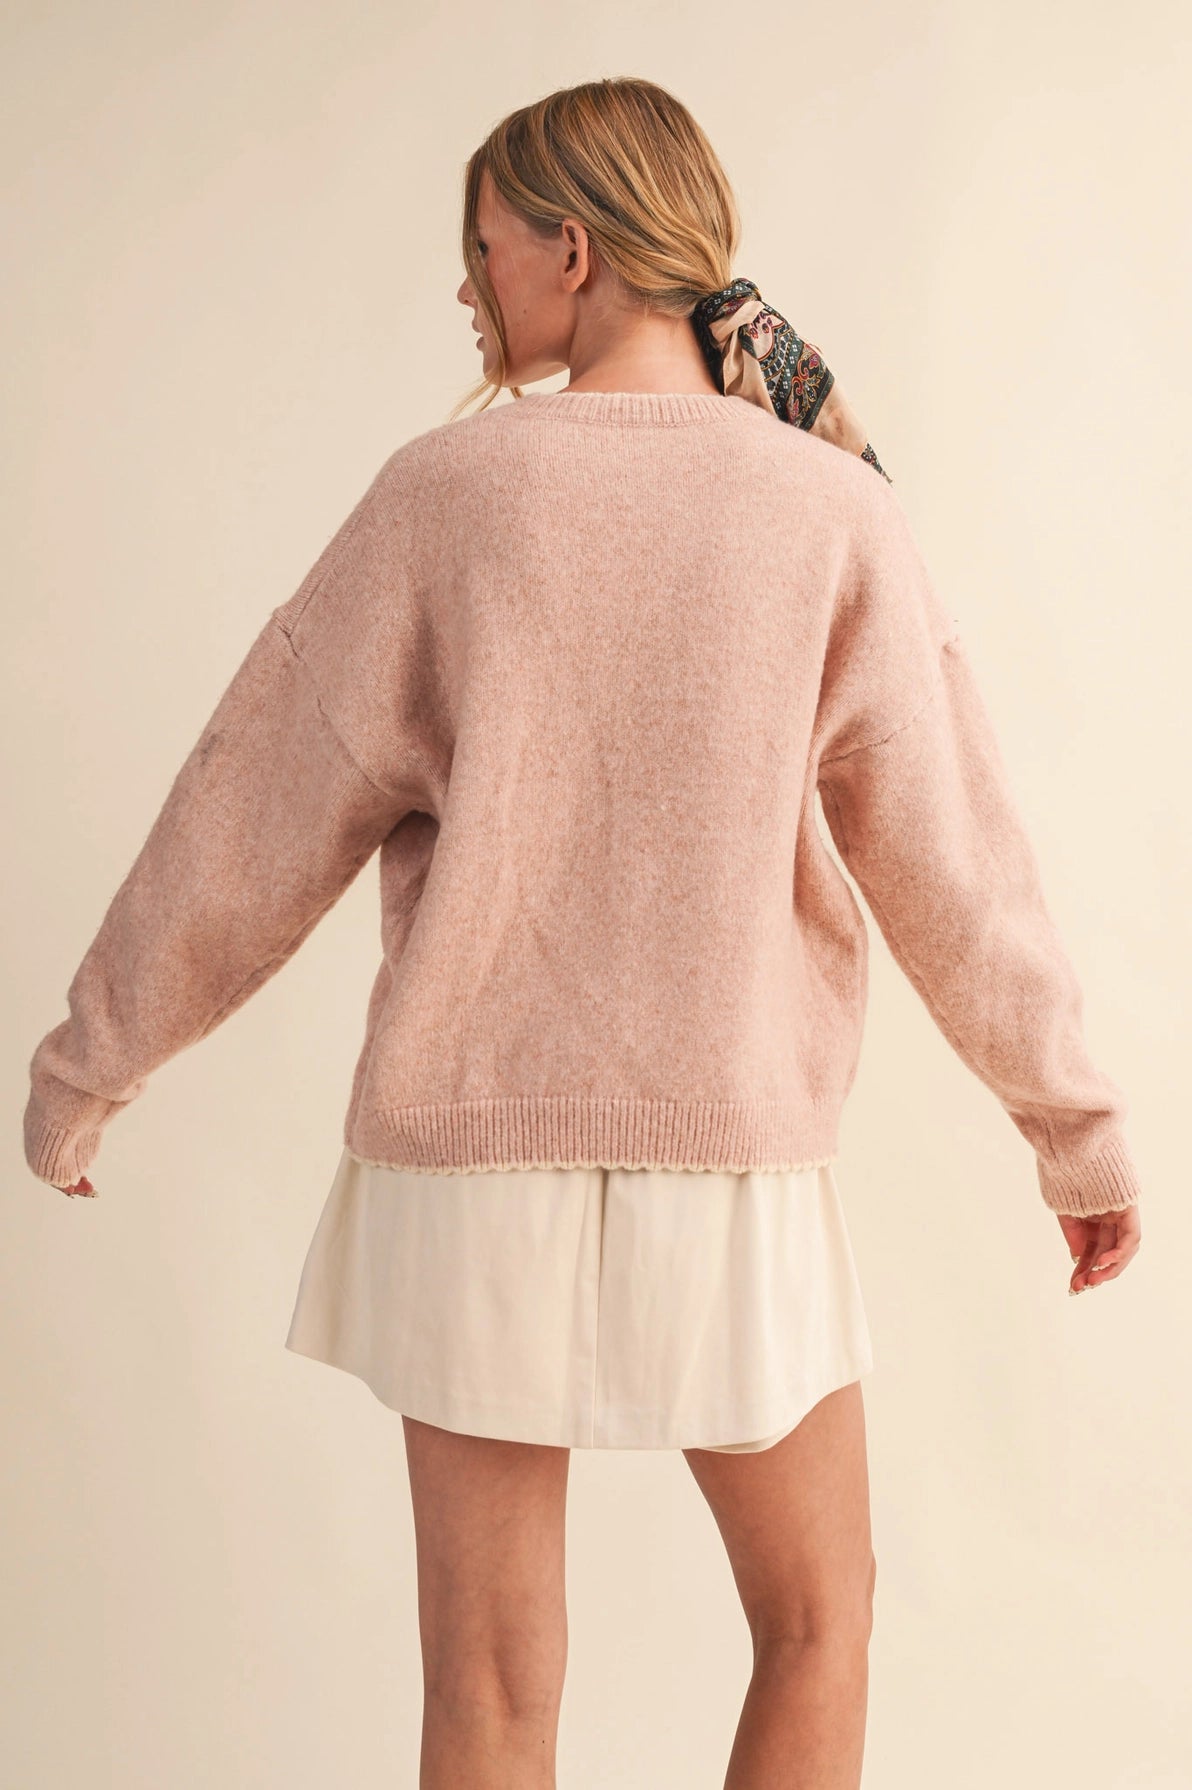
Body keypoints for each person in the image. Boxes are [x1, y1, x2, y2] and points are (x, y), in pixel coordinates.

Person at [25, 76, 1141, 1790]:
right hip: (727, 1152)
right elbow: (955, 860)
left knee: (486, 1686)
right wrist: (1072, 1127)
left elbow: (252, 799)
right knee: (819, 1621)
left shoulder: (440, 497)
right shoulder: (828, 509)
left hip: (463, 1165)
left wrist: (94, 1061)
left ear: (573, 247)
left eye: (483, 248)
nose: (468, 286)